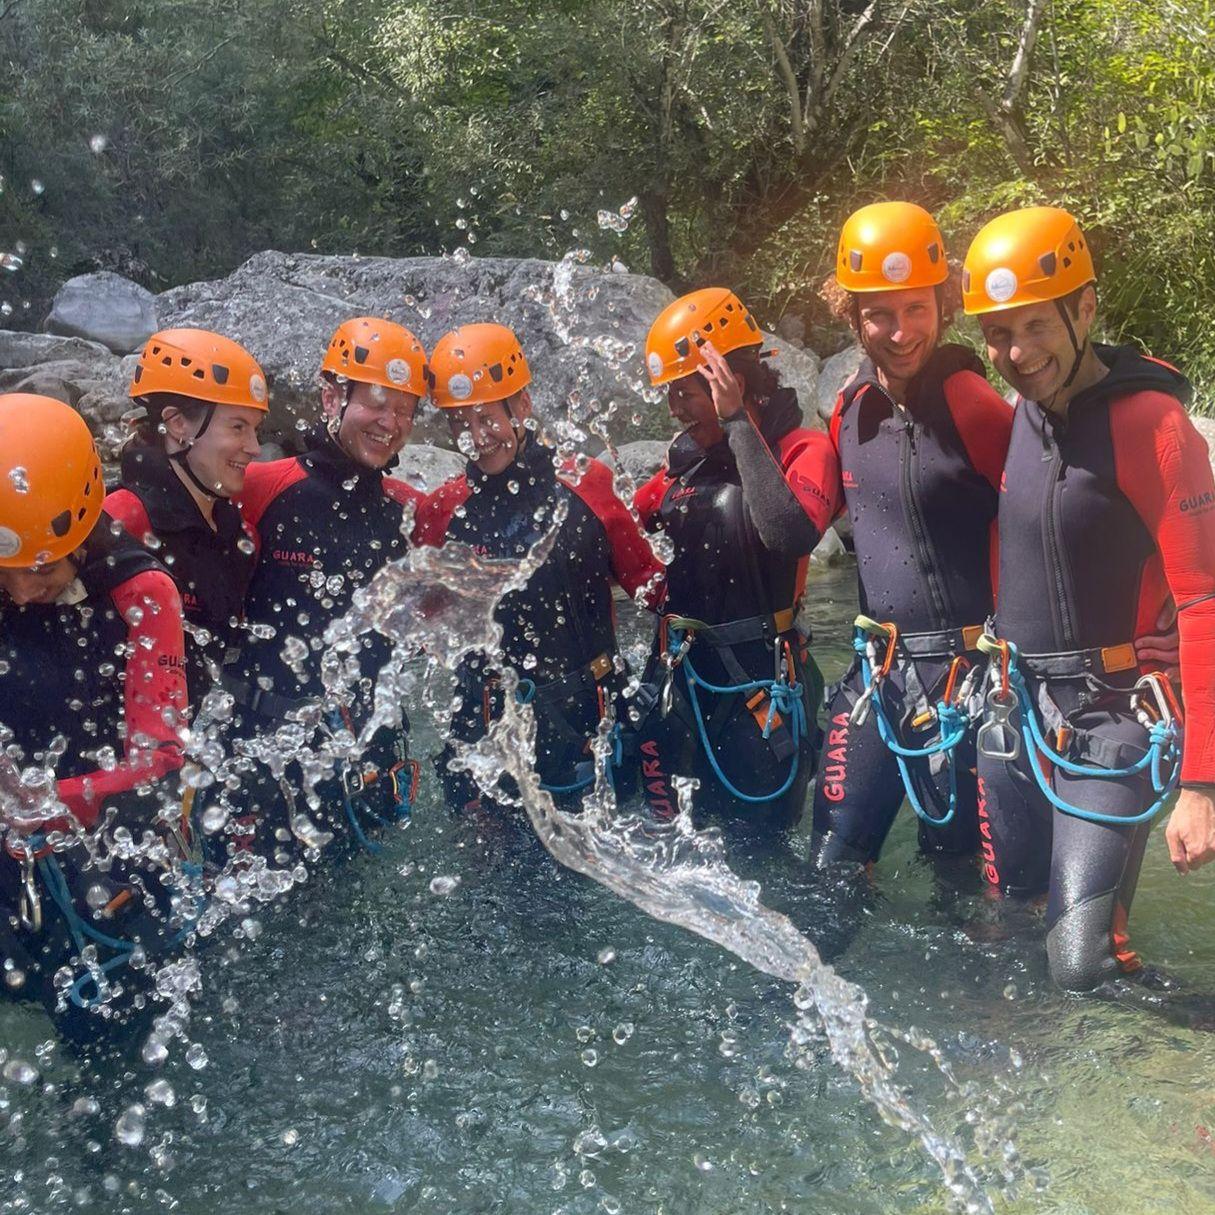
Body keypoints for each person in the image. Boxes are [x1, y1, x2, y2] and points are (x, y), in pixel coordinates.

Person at [963, 205, 1215, 991]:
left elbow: (1204, 602)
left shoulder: (1155, 424)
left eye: (1034, 326)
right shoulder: (1020, 420)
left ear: (1082, 308)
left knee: (1081, 964)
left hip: (1113, 722)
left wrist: (1201, 786)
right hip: (1016, 715)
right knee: (1010, 930)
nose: (1016, 352)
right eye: (998, 334)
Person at [810, 202, 1014, 867]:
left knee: (969, 892)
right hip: (879, 674)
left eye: (917, 309)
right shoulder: (850, 407)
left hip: (969, 678)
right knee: (831, 868)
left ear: (943, 303)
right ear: (850, 315)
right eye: (879, 314)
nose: (900, 333)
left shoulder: (971, 403)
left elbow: (1044, 527)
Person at [0, 394, 193, 1034]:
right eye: (8, 574)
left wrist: (38, 799)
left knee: (114, 1047)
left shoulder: (140, 593)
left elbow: (159, 764)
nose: (24, 591)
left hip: (102, 862)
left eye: (42, 568)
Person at [414, 322, 662, 808]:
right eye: (460, 424)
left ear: (522, 406)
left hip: (585, 719)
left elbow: (651, 587)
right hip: (486, 728)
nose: (477, 437)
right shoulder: (440, 510)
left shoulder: (588, 485)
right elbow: (423, 623)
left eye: (486, 418)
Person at [221, 317, 428, 856]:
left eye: (404, 410)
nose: (390, 422)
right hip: (269, 750)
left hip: (369, 744)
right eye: (377, 403)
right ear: (332, 396)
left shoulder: (406, 509)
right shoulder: (263, 488)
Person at [632, 288, 837, 828]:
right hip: (682, 684)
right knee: (665, 847)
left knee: (760, 858)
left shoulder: (802, 450)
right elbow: (628, 537)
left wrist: (737, 423)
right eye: (670, 395)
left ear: (732, 382)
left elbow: (789, 534)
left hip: (757, 692)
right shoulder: (684, 470)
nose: (675, 409)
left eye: (686, 393)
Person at [106, 328, 267, 705]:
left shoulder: (235, 532)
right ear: (178, 424)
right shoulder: (122, 520)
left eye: (256, 429)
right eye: (238, 426)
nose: (255, 448)